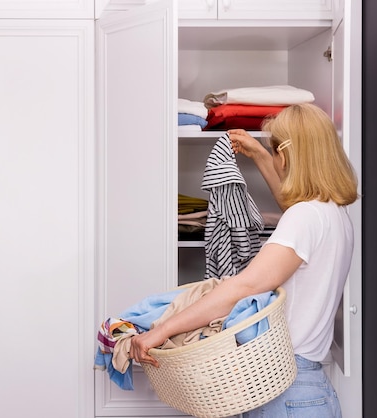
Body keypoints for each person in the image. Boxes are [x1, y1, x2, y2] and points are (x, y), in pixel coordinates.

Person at [129, 103, 359, 417]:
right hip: (307, 389)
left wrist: (161, 330)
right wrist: (262, 156)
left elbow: (245, 286)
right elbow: (294, 208)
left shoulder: (305, 218)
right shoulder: (332, 213)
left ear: (288, 156)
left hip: (286, 391)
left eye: (275, 152)